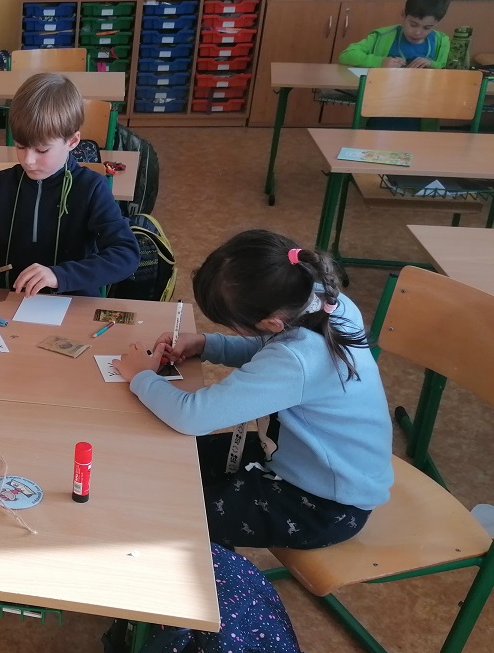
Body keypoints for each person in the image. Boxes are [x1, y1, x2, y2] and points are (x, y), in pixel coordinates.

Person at [113, 230, 392, 551]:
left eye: (232, 324)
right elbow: (273, 350)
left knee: (177, 513)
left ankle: (223, 574)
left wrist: (141, 377)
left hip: (322, 504)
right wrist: (206, 344)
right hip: (301, 457)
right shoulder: (324, 301)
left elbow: (192, 416)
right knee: (171, 460)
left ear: (271, 323)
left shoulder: (296, 360)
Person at [0, 72, 139, 297]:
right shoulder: (3, 184)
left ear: (72, 141)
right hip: (14, 297)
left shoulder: (91, 188)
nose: (28, 160)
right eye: (21, 146)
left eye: (41, 150)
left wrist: (60, 275)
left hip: (74, 300)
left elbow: (126, 254)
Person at [338, 0, 452, 70]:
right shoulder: (382, 36)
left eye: (426, 28)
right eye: (413, 24)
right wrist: (380, 62)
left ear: (437, 23)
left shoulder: (441, 42)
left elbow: (446, 67)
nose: (417, 32)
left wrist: (433, 65)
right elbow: (347, 55)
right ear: (403, 15)